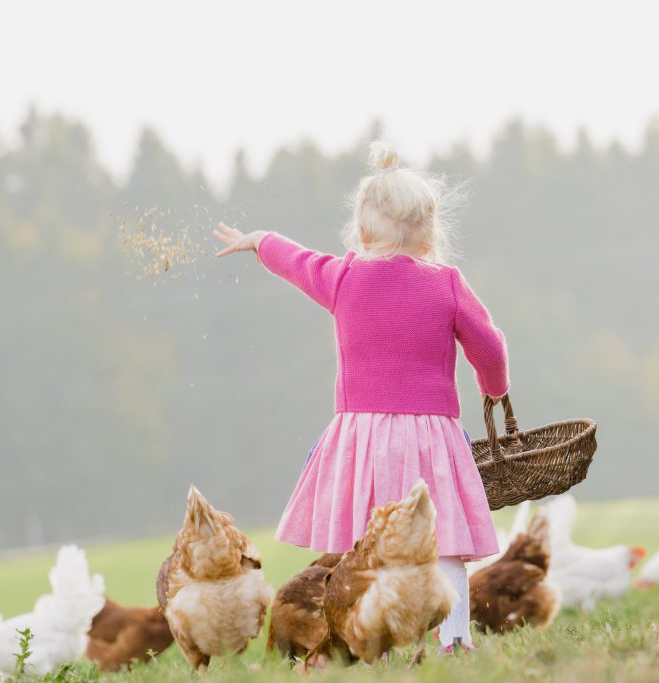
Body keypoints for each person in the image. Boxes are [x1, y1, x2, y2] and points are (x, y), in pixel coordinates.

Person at [213, 141, 509, 653]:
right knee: (444, 543)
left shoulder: (344, 277)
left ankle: (366, 642)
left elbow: (297, 261)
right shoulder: (447, 284)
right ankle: (455, 638)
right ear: (429, 234)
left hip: (364, 439)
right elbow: (489, 346)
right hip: (431, 438)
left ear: (363, 232)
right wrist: (494, 389)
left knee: (362, 547)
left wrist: (259, 240)